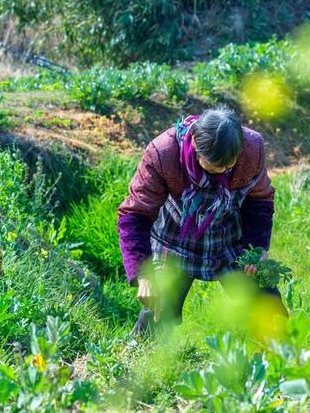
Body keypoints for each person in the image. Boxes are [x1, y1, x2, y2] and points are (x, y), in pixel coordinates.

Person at [116, 107, 284, 336]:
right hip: (175, 239)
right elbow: (135, 214)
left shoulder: (252, 148)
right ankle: (134, 362)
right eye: (216, 166)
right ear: (194, 144)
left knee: (267, 308)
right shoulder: (163, 153)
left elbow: (260, 201)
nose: (225, 171)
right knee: (159, 310)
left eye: (230, 165)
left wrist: (256, 248)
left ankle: (282, 361)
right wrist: (144, 273)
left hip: (229, 237)